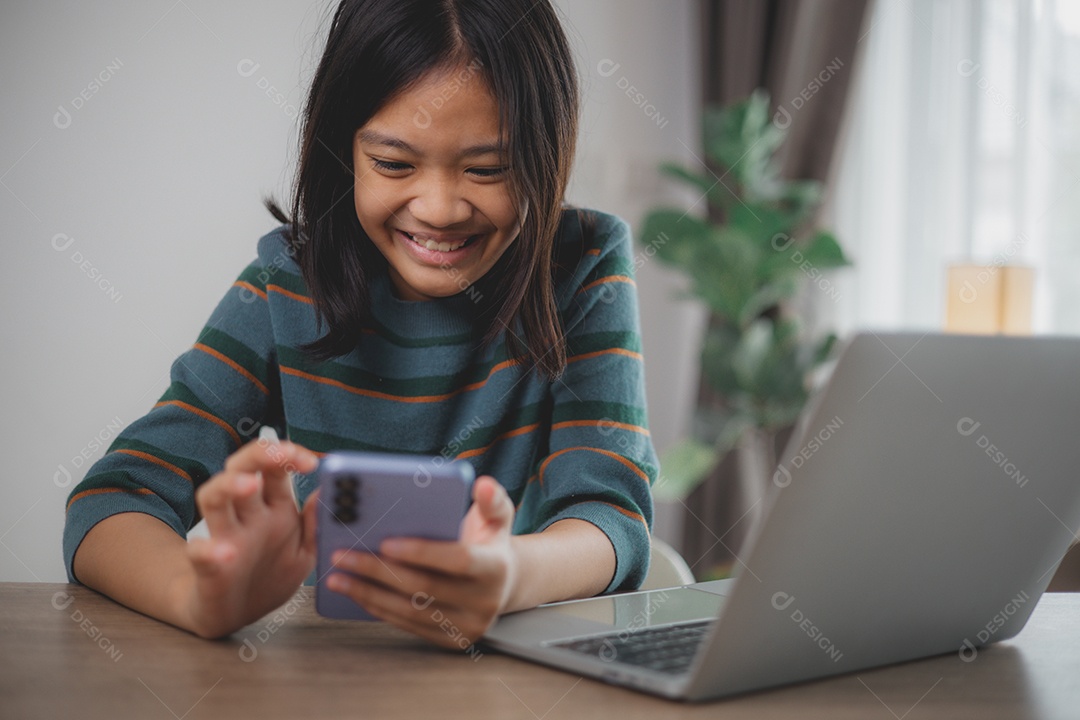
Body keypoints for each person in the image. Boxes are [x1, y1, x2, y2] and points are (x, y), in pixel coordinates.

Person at [63, 0, 656, 649]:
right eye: (395, 165)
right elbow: (112, 499)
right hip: (331, 670)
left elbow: (610, 516)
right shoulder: (286, 281)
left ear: (548, 152)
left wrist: (510, 576)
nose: (438, 208)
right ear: (342, 151)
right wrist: (203, 597)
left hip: (518, 678)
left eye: (487, 170)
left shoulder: (584, 266)